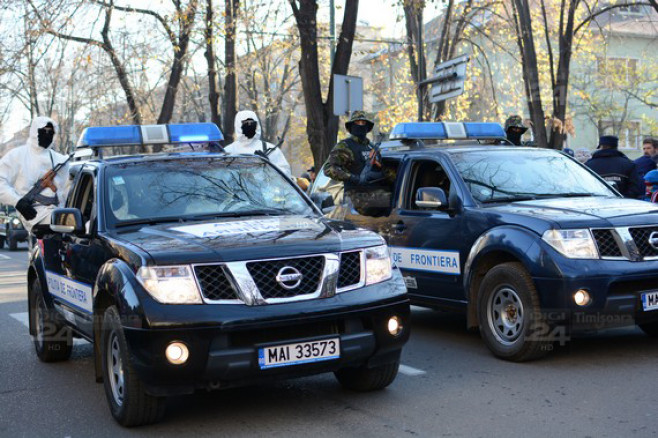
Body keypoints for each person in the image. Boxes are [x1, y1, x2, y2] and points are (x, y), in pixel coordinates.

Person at [0, 116, 70, 232]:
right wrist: (17, 201)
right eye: (44, 131)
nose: (47, 135)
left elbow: (67, 191)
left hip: (60, 219)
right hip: (35, 219)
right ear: (34, 131)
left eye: (51, 132)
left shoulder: (59, 160)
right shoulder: (17, 156)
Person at [325, 111, 393, 216]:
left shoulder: (372, 147)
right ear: (351, 126)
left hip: (377, 201)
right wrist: (352, 177)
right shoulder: (345, 146)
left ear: (367, 127)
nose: (361, 125)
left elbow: (384, 172)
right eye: (357, 123)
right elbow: (329, 168)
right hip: (355, 202)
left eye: (363, 123)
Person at [225, 110, 292, 176]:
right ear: (238, 125)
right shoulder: (227, 152)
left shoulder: (271, 149)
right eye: (246, 123)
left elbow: (286, 174)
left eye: (252, 123)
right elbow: (220, 176)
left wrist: (268, 165)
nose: (249, 125)